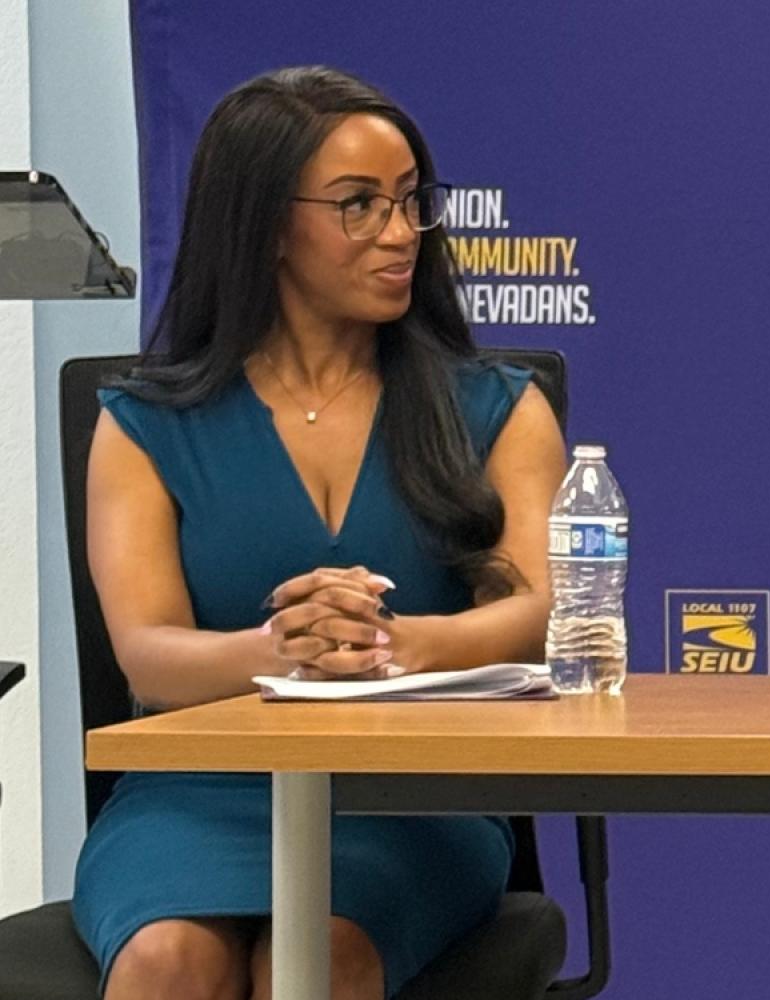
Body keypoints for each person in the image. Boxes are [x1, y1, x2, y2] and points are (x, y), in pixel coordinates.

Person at [73, 66, 565, 1000]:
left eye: (412, 202)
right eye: (358, 206)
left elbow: (539, 611)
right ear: (263, 226)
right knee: (166, 963)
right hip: (197, 796)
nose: (399, 234)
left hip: (412, 798)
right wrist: (278, 652)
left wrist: (395, 646)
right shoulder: (146, 423)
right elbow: (147, 656)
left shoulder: (498, 408)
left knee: (320, 958)